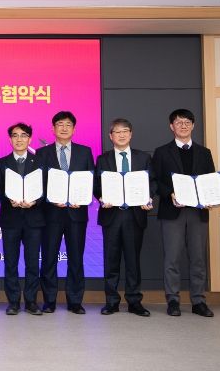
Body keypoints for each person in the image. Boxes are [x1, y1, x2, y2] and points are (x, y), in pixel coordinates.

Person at [152, 109, 216, 317]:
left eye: (187, 122)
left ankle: (198, 301)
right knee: (172, 258)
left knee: (198, 258)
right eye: (179, 122)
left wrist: (211, 197)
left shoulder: (204, 152)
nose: (183, 126)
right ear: (171, 126)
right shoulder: (162, 152)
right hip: (173, 211)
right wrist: (169, 194)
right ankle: (173, 300)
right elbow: (155, 180)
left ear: (193, 126)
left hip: (198, 212)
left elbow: (210, 181)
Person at [94, 118, 155, 317]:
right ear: (110, 136)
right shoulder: (103, 159)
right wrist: (101, 197)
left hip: (135, 215)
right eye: (117, 132)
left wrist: (149, 198)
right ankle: (111, 301)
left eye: (125, 131)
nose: (121, 135)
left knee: (133, 261)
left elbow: (152, 182)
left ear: (131, 134)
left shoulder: (143, 158)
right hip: (111, 215)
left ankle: (134, 301)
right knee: (111, 261)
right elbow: (96, 185)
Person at [37, 111, 94, 314]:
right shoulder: (42, 153)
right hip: (50, 213)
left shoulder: (85, 152)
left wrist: (83, 198)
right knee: (49, 257)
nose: (64, 128)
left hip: (77, 214)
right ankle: (49, 300)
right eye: (60, 124)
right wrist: (50, 198)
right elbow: (38, 184)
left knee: (76, 258)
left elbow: (90, 180)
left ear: (74, 129)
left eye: (68, 125)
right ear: (53, 129)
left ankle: (75, 301)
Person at [0, 123, 45, 316]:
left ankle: (31, 301)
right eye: (15, 135)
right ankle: (13, 301)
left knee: (32, 262)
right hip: (10, 219)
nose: (19, 139)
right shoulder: (1, 163)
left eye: (23, 135)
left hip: (34, 219)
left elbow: (47, 188)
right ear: (10, 139)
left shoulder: (40, 162)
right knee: (11, 262)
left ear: (30, 139)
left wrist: (35, 201)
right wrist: (8, 199)